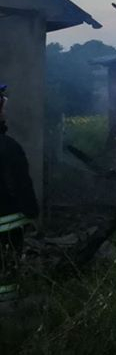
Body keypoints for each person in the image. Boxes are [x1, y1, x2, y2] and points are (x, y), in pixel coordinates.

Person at [0, 86, 39, 306]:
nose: (5, 111)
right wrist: (32, 212)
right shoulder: (8, 148)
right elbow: (20, 185)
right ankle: (7, 310)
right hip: (6, 227)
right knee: (5, 271)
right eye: (2, 106)